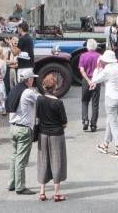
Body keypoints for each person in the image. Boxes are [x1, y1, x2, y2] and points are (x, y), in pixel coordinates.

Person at [5, 67, 39, 195]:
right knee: (21, 160)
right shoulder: (28, 92)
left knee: (14, 157)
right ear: (29, 80)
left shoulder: (15, 90)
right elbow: (40, 100)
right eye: (32, 79)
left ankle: (12, 183)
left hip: (13, 127)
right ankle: (20, 186)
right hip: (24, 129)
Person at [35, 73, 68, 202]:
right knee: (57, 162)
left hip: (43, 134)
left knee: (43, 161)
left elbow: (37, 117)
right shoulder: (58, 102)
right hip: (56, 134)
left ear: (44, 86)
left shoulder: (39, 99)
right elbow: (64, 122)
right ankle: (57, 193)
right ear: (55, 87)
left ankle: (42, 192)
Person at [91, 49, 118, 157]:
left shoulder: (107, 69)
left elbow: (95, 79)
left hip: (111, 98)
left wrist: (97, 68)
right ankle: (105, 144)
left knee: (113, 123)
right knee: (110, 121)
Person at [78, 39, 102, 131]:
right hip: (96, 81)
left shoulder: (83, 56)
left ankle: (85, 120)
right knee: (95, 103)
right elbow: (101, 70)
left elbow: (81, 70)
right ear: (95, 46)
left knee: (85, 101)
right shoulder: (99, 56)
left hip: (86, 81)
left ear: (87, 47)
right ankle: (93, 124)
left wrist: (88, 81)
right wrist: (94, 81)